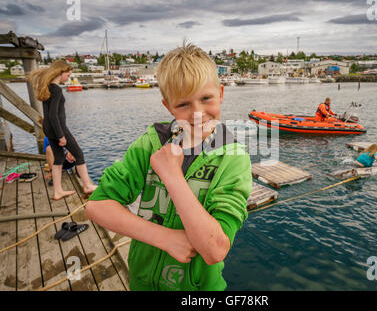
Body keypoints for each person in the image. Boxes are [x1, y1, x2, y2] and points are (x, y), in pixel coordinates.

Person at [85, 43, 252, 291]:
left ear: (221, 93)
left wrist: (172, 176)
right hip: (141, 282)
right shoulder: (151, 142)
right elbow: (97, 206)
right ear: (168, 106)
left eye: (206, 98)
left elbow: (215, 249)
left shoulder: (233, 158)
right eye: (183, 105)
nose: (197, 113)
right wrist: (165, 239)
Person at [28, 60, 97, 200]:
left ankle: (58, 191)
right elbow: (54, 115)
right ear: (60, 73)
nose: (68, 78)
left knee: (58, 159)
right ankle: (87, 186)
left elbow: (49, 115)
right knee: (79, 154)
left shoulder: (47, 87)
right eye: (68, 74)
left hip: (48, 128)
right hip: (58, 128)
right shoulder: (56, 89)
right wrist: (61, 136)